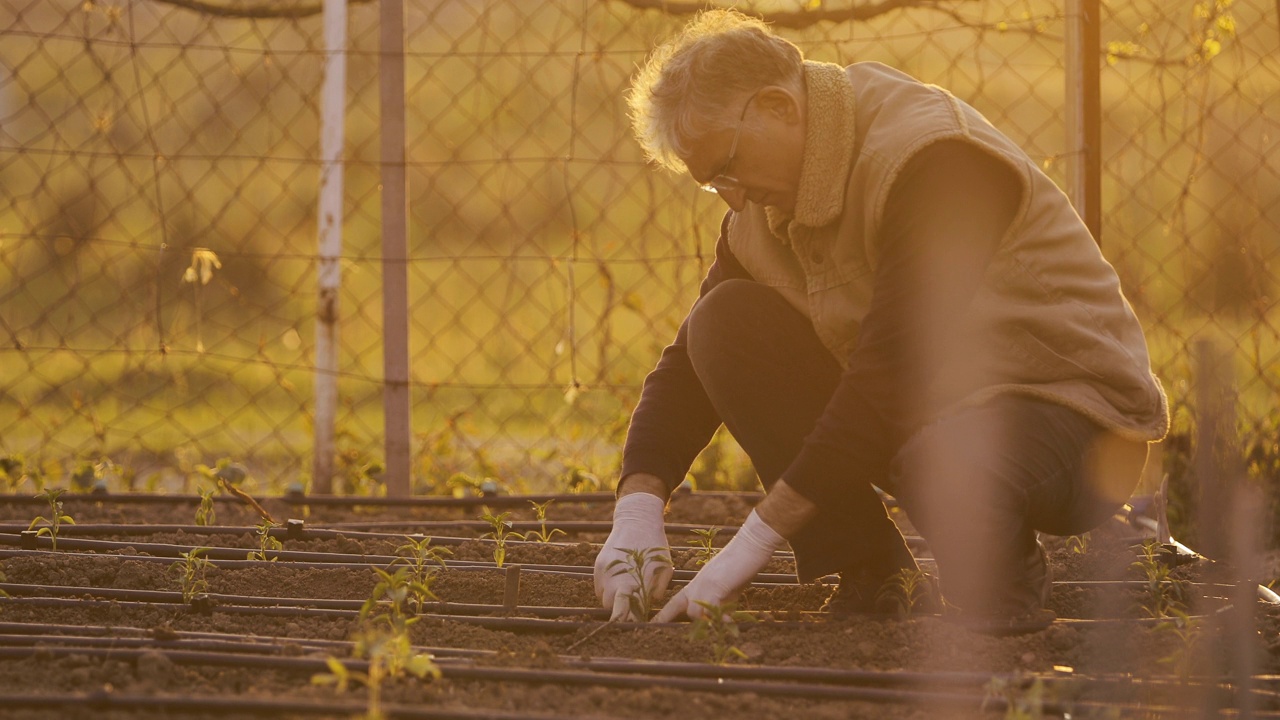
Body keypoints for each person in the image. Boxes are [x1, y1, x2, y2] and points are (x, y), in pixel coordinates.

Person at [593, 9, 1168, 635]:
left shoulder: (933, 159)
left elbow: (894, 371)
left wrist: (753, 542)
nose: (732, 196)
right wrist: (638, 513)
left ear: (779, 106)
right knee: (724, 323)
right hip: (935, 411)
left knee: (950, 455)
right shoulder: (764, 207)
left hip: (1074, 422)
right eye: (711, 183)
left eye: (727, 165)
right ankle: (872, 567)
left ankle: (1000, 584)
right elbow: (692, 363)